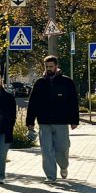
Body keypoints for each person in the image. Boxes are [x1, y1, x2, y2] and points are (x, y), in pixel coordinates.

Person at [26, 55, 80, 183]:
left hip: (61, 122)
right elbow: (32, 103)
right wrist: (30, 122)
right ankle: (50, 176)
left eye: (51, 66)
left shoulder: (67, 82)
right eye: (46, 67)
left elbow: (73, 102)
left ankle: (64, 166)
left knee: (62, 148)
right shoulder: (39, 83)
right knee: (47, 151)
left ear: (56, 67)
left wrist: (74, 120)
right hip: (44, 122)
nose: (49, 69)